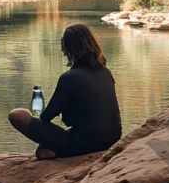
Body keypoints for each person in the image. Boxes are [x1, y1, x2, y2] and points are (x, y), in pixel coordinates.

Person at [8, 23, 122, 159]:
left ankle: (59, 150)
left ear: (68, 49)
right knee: (43, 151)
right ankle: (54, 150)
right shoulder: (105, 72)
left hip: (86, 143)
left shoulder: (69, 77)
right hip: (112, 139)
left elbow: (46, 116)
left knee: (18, 115)